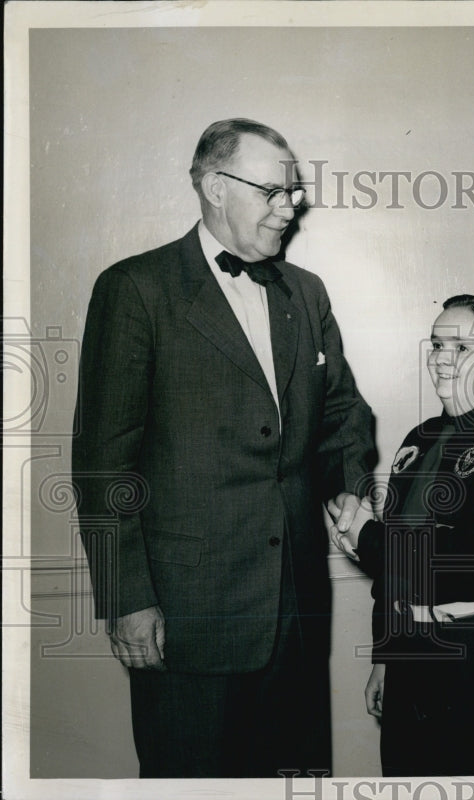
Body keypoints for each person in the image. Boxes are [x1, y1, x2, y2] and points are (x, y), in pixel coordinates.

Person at [72, 118, 376, 778]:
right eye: (273, 191)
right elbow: (103, 463)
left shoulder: (307, 292)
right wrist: (126, 597)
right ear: (215, 186)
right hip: (187, 616)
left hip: (293, 613)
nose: (289, 206)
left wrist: (350, 484)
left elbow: (343, 413)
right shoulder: (136, 289)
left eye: (293, 192)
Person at [329, 294, 474, 776]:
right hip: (414, 650)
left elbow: (452, 563)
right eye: (436, 344)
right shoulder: (418, 440)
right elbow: (395, 576)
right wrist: (385, 658)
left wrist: (363, 533)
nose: (440, 358)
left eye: (460, 348)